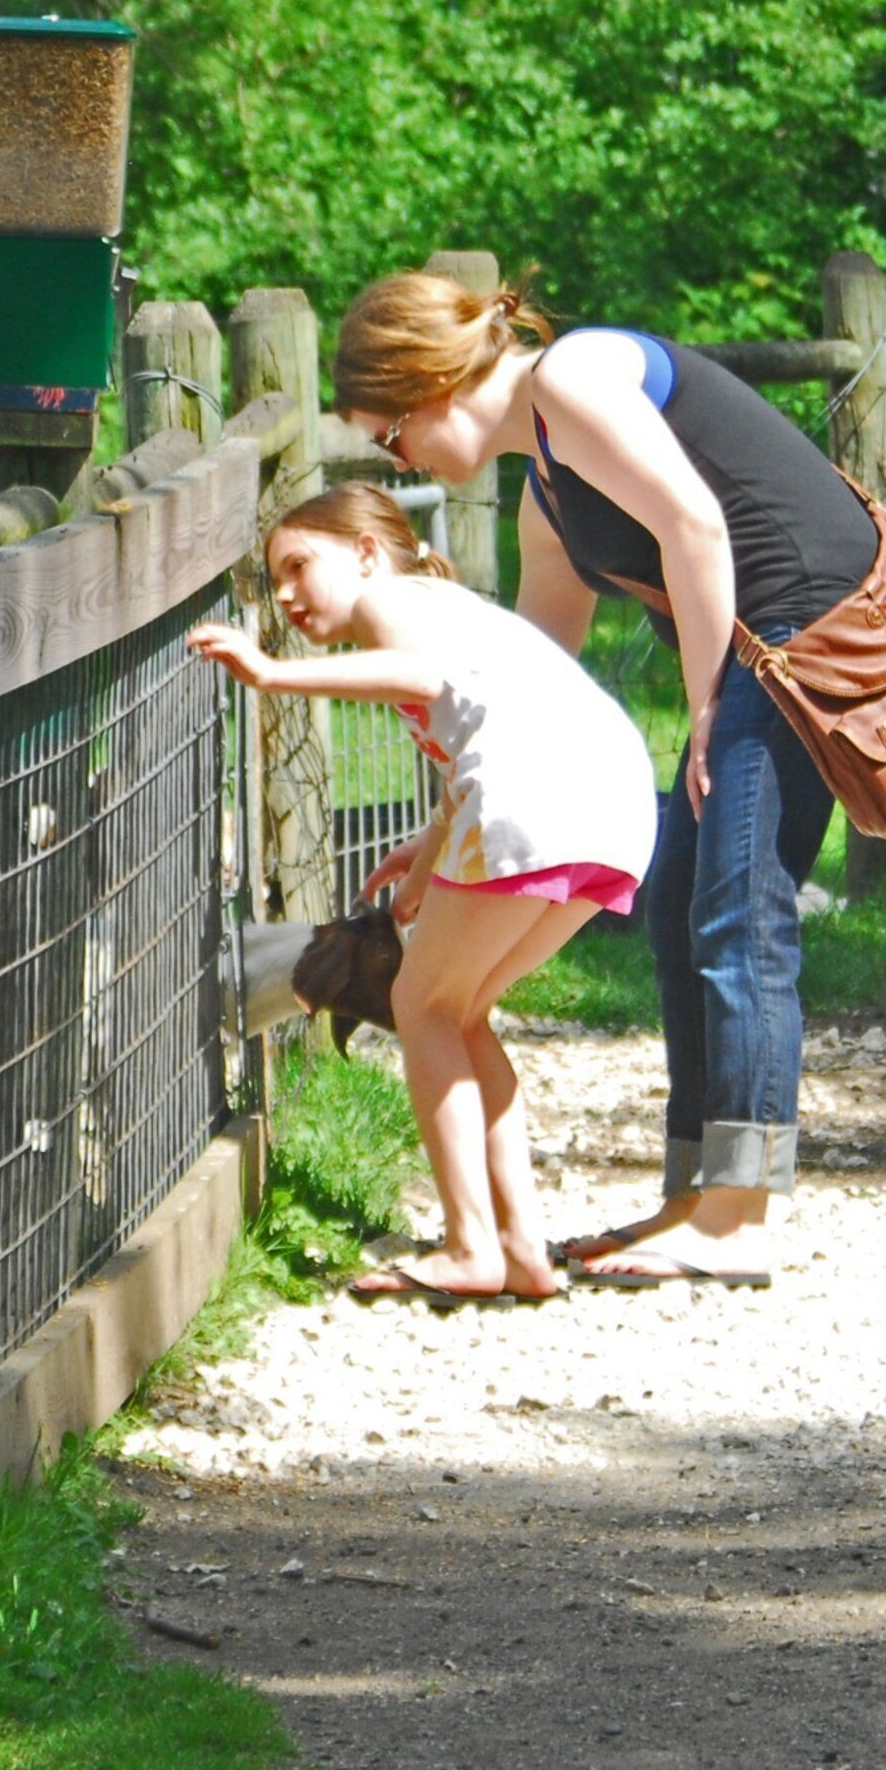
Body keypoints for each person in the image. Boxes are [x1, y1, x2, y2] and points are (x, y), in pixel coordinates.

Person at [337, 268, 879, 1289]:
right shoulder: (546, 491)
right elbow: (530, 684)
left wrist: (707, 705)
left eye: (390, 435)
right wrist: (449, 824)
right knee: (677, 900)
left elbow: (695, 527)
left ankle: (738, 1218)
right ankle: (694, 1196)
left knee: (739, 905)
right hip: (753, 648)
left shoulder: (574, 379)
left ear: (429, 385)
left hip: (807, 625)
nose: (399, 461)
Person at [190, 486, 653, 1304]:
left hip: (537, 797)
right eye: (275, 580)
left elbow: (424, 677)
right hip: (614, 807)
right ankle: (520, 1249)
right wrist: (430, 848)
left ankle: (472, 1246)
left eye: (300, 566)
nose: (287, 594)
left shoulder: (392, 603)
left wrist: (271, 674)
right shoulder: (448, 608)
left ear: (368, 553)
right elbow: (477, 721)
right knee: (459, 1012)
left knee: (421, 1003)